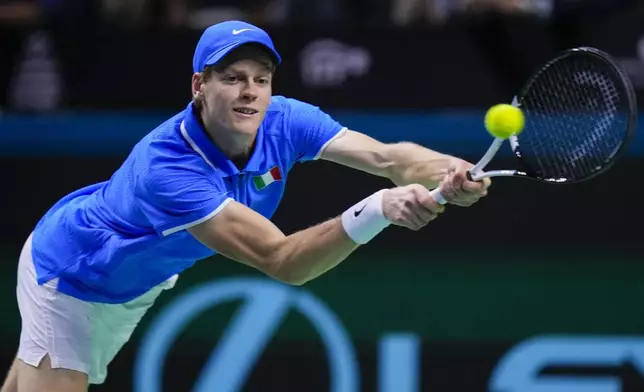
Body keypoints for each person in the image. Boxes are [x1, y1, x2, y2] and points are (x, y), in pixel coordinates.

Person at [0, 20, 490, 392]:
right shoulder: (168, 170)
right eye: (233, 77)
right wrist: (379, 209)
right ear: (199, 86)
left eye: (261, 78)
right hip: (72, 273)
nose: (250, 92)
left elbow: (388, 158)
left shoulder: (286, 119)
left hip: (131, 284)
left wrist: (451, 170)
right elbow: (282, 261)